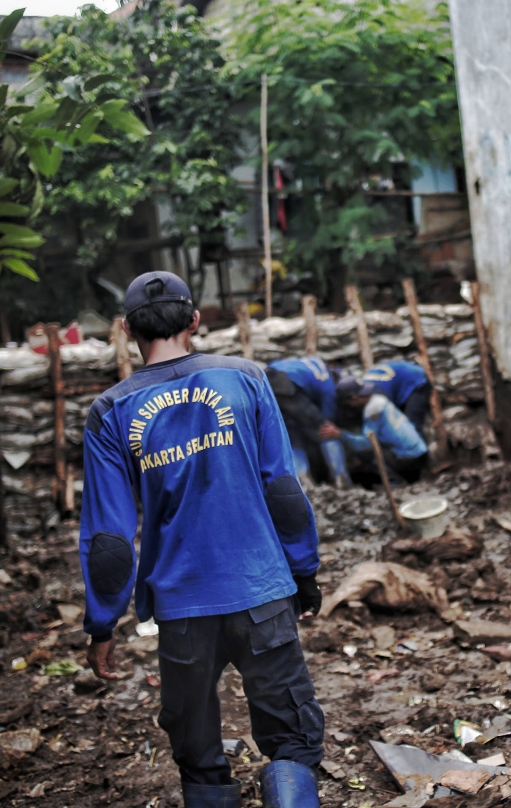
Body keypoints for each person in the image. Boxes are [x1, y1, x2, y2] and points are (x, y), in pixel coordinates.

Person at [80, 271, 324, 808]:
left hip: (182, 608)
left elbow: (110, 538)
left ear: (126, 329)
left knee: (198, 753)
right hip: (262, 591)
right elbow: (283, 490)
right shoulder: (246, 378)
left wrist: (102, 622)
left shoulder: (110, 412)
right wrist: (304, 571)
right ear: (195, 320)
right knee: (293, 742)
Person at [266, 356, 351, 488]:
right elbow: (329, 412)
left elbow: (272, 365)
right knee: (325, 430)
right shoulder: (328, 383)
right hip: (286, 386)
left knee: (291, 434)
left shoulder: (312, 361)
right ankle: (341, 478)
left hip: (267, 384)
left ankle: (304, 482)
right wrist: (331, 425)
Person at [322, 380, 429, 483]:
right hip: (420, 452)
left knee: (367, 453)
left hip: (410, 459)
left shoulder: (373, 410)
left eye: (347, 402)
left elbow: (365, 443)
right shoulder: (379, 399)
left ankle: (395, 482)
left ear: (354, 397)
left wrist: (339, 434)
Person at [361, 361, 431, 438]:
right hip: (399, 379)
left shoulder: (379, 397)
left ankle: (421, 449)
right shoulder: (364, 388)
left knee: (413, 425)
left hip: (416, 380)